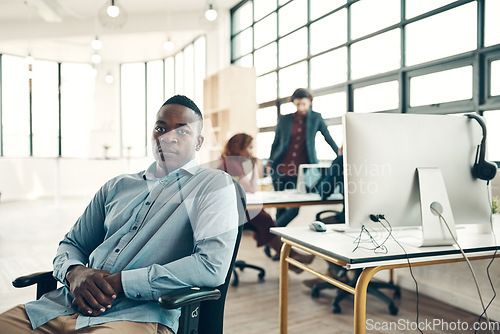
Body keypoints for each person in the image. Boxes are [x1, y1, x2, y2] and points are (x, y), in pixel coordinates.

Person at [0, 95, 240, 334]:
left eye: (182, 131)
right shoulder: (117, 186)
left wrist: (119, 283)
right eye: (160, 128)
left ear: (199, 142)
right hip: (58, 306)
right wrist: (74, 272)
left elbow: (212, 265)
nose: (168, 137)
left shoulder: (213, 184)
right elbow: (73, 244)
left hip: (137, 317)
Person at [218, 133, 314, 272]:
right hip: (228, 213)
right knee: (265, 219)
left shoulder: (232, 162)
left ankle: (290, 257)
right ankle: (291, 258)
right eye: (249, 147)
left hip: (233, 208)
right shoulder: (231, 163)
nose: (251, 151)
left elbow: (250, 189)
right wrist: (256, 167)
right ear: (239, 147)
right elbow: (251, 188)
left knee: (264, 218)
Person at [267, 88, 339, 228]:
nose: (300, 107)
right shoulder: (284, 119)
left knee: (294, 208)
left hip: (302, 172)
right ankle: (276, 246)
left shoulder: (316, 118)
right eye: (297, 104)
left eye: (303, 104)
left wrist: (341, 155)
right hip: (280, 169)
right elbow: (276, 143)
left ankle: (271, 235)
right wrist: (270, 162)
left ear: (310, 102)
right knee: (280, 207)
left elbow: (328, 138)